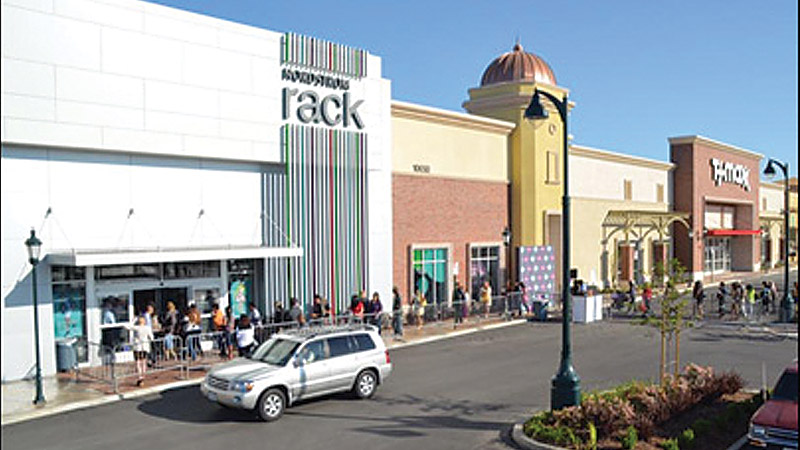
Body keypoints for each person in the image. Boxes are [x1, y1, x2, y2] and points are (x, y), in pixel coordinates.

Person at [127, 315, 153, 387]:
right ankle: (142, 376)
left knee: (138, 362)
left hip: (138, 346)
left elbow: (128, 327)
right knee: (143, 361)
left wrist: (133, 320)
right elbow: (151, 337)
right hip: (144, 346)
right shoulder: (147, 328)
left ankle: (140, 377)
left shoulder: (137, 328)